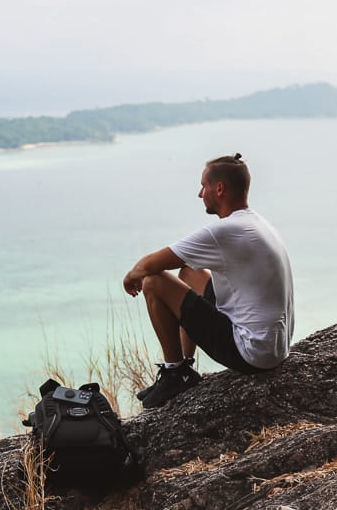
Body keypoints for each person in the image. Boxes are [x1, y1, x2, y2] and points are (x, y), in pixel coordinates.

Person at [122, 153, 294, 408]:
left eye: (204, 186)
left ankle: (173, 373)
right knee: (190, 272)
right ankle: (185, 367)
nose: (200, 194)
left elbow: (151, 265)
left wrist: (130, 276)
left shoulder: (225, 231)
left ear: (220, 189)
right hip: (274, 347)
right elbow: (184, 263)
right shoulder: (255, 222)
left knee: (153, 282)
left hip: (251, 353)